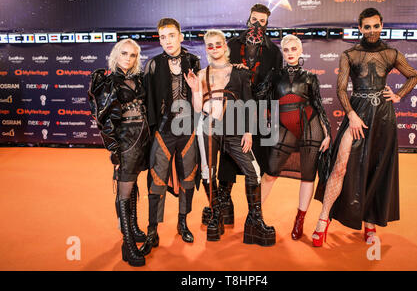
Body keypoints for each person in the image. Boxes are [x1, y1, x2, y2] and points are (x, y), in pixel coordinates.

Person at [312, 8, 417, 247]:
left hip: (383, 116)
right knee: (340, 166)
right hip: (358, 113)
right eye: (367, 27)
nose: (372, 31)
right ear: (360, 28)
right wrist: (351, 114)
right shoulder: (350, 54)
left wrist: (399, 95)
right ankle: (322, 220)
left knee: (376, 169)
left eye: (375, 26)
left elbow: (412, 76)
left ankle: (370, 224)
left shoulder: (392, 53)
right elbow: (341, 89)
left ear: (382, 25)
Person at [185, 29, 276, 246]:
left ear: (225, 46)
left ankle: (254, 220)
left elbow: (249, 104)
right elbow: (198, 108)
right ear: (206, 49)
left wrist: (248, 132)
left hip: (235, 129)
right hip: (207, 128)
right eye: (210, 45)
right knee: (208, 172)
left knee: (253, 171)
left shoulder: (241, 73)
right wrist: (195, 90)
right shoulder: (201, 74)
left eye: (218, 44)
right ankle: (216, 215)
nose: (215, 48)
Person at [202, 3, 283, 227]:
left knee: (254, 156)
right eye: (254, 19)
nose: (257, 24)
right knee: (228, 157)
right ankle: (224, 205)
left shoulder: (274, 52)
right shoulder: (233, 44)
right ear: (248, 19)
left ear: (267, 24)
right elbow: (221, 69)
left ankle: (254, 215)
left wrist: (270, 115)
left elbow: (276, 85)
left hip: (260, 108)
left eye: (262, 21)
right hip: (233, 107)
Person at [255, 34, 331, 240]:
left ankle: (299, 222)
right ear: (283, 52)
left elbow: (318, 105)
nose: (290, 53)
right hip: (284, 126)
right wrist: (265, 116)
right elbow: (260, 96)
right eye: (286, 50)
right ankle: (254, 216)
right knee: (270, 172)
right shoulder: (274, 75)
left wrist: (327, 133)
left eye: (293, 49)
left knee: (308, 176)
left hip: (310, 125)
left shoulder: (310, 77)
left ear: (300, 51)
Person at [139, 18, 201, 256]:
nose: (167, 41)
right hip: (163, 130)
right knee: (157, 180)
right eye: (163, 37)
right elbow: (147, 101)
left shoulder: (193, 61)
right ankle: (152, 229)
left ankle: (183, 222)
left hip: (188, 129)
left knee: (188, 178)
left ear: (181, 36)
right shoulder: (153, 64)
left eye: (171, 35)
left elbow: (199, 99)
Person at [88, 38, 150, 267]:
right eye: (124, 53)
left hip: (142, 139)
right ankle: (127, 243)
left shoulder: (137, 78)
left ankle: (133, 227)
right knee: (124, 189)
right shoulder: (107, 81)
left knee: (133, 183)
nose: (128, 58)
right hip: (125, 142)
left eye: (133, 55)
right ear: (116, 54)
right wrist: (114, 150)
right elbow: (104, 121)